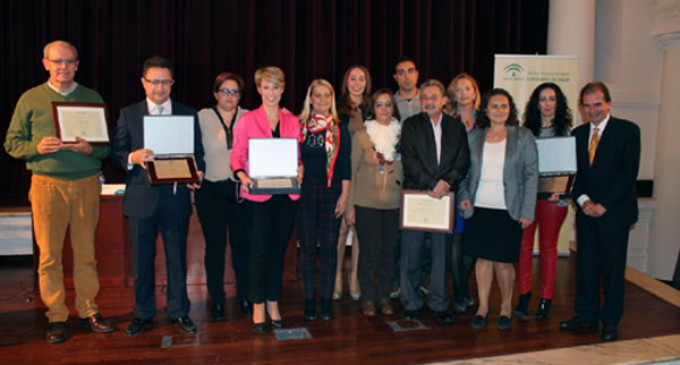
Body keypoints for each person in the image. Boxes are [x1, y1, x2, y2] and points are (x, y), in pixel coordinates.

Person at [4, 40, 116, 344]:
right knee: (50, 256)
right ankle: (56, 316)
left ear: (77, 64)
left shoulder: (91, 97)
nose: (63, 67)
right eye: (57, 62)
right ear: (45, 63)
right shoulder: (30, 99)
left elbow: (106, 148)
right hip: (45, 184)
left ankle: (88, 310)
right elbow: (12, 143)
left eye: (68, 62)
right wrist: (35, 148)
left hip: (86, 183)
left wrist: (89, 148)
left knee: (86, 253)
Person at [112, 56, 204, 336]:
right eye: (154, 81)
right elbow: (115, 153)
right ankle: (143, 313)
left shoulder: (187, 114)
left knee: (177, 257)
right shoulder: (129, 114)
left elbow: (198, 153)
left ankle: (179, 311)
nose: (159, 87)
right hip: (141, 199)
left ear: (172, 83)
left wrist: (198, 172)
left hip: (175, 198)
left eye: (165, 81)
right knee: (142, 259)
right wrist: (131, 156)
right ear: (143, 82)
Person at [559, 81, 640, 342]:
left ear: (608, 103)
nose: (592, 110)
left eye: (597, 104)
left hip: (614, 214)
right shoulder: (578, 134)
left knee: (613, 270)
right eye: (587, 105)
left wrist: (603, 205)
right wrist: (583, 201)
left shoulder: (628, 131)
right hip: (586, 212)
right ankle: (586, 315)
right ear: (582, 107)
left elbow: (628, 175)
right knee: (586, 266)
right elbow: (576, 175)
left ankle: (611, 321)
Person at [231, 66, 303, 332]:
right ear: (259, 89)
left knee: (277, 251)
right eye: (266, 87)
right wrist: (242, 175)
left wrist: (300, 170)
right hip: (257, 195)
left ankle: (274, 301)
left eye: (276, 87)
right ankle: (258, 303)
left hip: (286, 195)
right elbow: (237, 156)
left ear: (282, 89)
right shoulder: (248, 120)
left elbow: (296, 159)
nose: (271, 92)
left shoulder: (292, 121)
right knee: (259, 251)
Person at [459, 88, 538, 330]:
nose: (499, 110)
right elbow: (463, 172)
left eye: (504, 106)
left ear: (510, 110)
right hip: (479, 206)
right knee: (482, 259)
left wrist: (528, 210)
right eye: (494, 106)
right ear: (486, 110)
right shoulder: (474, 137)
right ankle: (483, 306)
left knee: (503, 262)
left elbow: (531, 174)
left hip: (509, 208)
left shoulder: (522, 136)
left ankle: (505, 305)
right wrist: (463, 196)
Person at [400, 79, 470, 323]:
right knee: (412, 252)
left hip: (444, 199)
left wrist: (445, 184)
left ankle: (439, 303)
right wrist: (432, 184)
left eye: (433, 97)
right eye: (425, 98)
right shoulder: (410, 125)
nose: (429, 101)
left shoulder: (456, 127)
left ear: (444, 101)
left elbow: (463, 160)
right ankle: (411, 302)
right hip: (419, 196)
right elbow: (409, 160)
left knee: (442, 255)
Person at [514, 82, 573, 320]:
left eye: (551, 99)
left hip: (553, 199)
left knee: (549, 248)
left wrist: (563, 189)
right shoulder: (524, 131)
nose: (547, 104)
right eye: (542, 99)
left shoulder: (567, 131)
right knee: (524, 247)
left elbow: (571, 167)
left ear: (558, 103)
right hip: (527, 198)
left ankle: (545, 299)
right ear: (535, 103)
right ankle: (524, 294)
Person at [194, 72, 250, 321]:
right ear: (215, 94)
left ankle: (245, 297)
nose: (230, 96)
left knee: (242, 248)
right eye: (225, 91)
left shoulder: (249, 117)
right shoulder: (201, 117)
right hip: (210, 192)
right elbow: (193, 151)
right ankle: (216, 300)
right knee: (215, 248)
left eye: (235, 92)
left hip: (241, 192)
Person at [345, 88, 402, 317]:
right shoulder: (361, 135)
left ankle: (385, 297)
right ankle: (367, 298)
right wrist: (350, 206)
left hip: (394, 204)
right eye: (379, 104)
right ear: (372, 108)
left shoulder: (402, 135)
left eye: (388, 104)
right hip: (365, 203)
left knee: (388, 252)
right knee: (368, 252)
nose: (384, 109)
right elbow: (351, 172)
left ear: (393, 108)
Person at [297, 79, 351, 320]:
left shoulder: (340, 128)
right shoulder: (299, 126)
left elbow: (346, 165)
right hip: (305, 192)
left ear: (332, 99)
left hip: (332, 191)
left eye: (326, 96)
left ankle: (326, 301)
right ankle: (309, 300)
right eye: (317, 95)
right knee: (307, 249)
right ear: (310, 98)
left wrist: (345, 195)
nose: (321, 100)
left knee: (329, 248)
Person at [333, 65, 372, 301]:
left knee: (361, 230)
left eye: (361, 79)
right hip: (341, 175)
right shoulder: (336, 109)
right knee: (341, 229)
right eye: (352, 79)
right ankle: (337, 277)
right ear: (346, 82)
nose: (357, 83)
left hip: (366, 177)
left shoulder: (373, 108)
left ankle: (354, 278)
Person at [444, 72, 481, 313]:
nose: (463, 93)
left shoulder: (486, 119)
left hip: (482, 187)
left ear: (475, 92)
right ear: (453, 94)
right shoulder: (447, 120)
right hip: (455, 186)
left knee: (474, 240)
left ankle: (462, 285)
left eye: (467, 88)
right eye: (458, 89)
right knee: (456, 239)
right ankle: (460, 289)